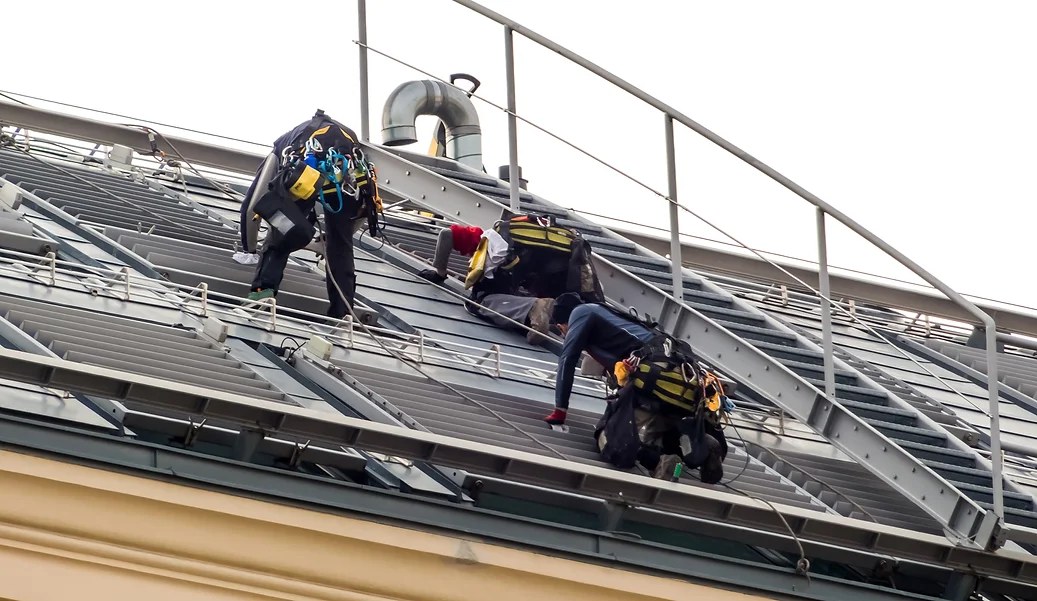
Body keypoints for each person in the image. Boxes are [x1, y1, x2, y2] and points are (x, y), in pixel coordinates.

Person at [549, 293, 729, 483]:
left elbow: (568, 358)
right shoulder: (611, 318)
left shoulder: (581, 312)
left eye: (563, 331)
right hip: (680, 380)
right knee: (657, 439)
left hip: (652, 378)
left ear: (563, 322)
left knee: (610, 439)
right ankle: (705, 450)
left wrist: (560, 409)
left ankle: (659, 462)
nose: (564, 334)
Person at [237, 110, 381, 320]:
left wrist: (248, 249)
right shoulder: (350, 142)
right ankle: (343, 312)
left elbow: (254, 201)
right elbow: (360, 209)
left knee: (281, 224)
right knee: (340, 247)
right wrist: (335, 237)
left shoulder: (283, 144)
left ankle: (263, 292)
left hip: (304, 174)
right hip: (346, 178)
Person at [418, 224, 484, 284]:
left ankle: (440, 274)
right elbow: (448, 234)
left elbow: (447, 234)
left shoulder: (488, 241)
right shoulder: (487, 241)